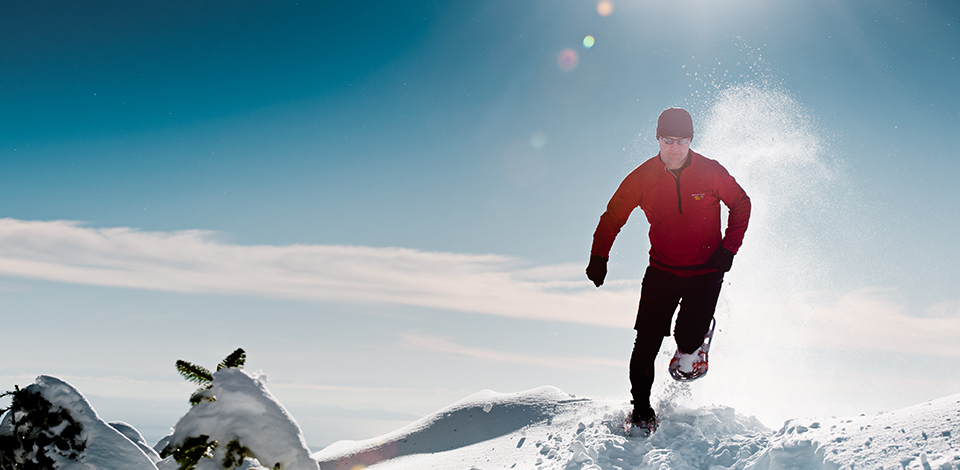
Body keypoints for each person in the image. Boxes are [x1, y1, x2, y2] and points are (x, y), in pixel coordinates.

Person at [585, 107, 751, 434]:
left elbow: (741, 203)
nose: (675, 147)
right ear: (658, 139)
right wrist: (599, 256)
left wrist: (728, 249)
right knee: (645, 343)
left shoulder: (710, 171)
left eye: (682, 140)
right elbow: (613, 215)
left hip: (705, 271)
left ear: (691, 140)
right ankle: (642, 410)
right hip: (662, 270)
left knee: (686, 339)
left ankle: (695, 340)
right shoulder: (643, 177)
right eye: (668, 140)